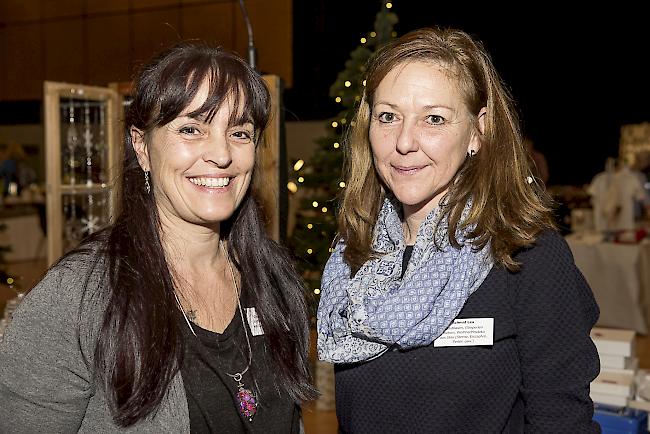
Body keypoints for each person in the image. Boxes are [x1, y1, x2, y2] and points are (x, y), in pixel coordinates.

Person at [0, 42, 317, 432]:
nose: (221, 154)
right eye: (191, 129)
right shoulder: (80, 294)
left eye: (239, 132)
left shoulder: (273, 279)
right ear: (142, 147)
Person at [317, 27, 600, 433]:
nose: (404, 141)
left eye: (433, 119)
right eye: (388, 116)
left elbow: (562, 421)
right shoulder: (353, 256)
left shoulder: (525, 255)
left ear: (477, 131)